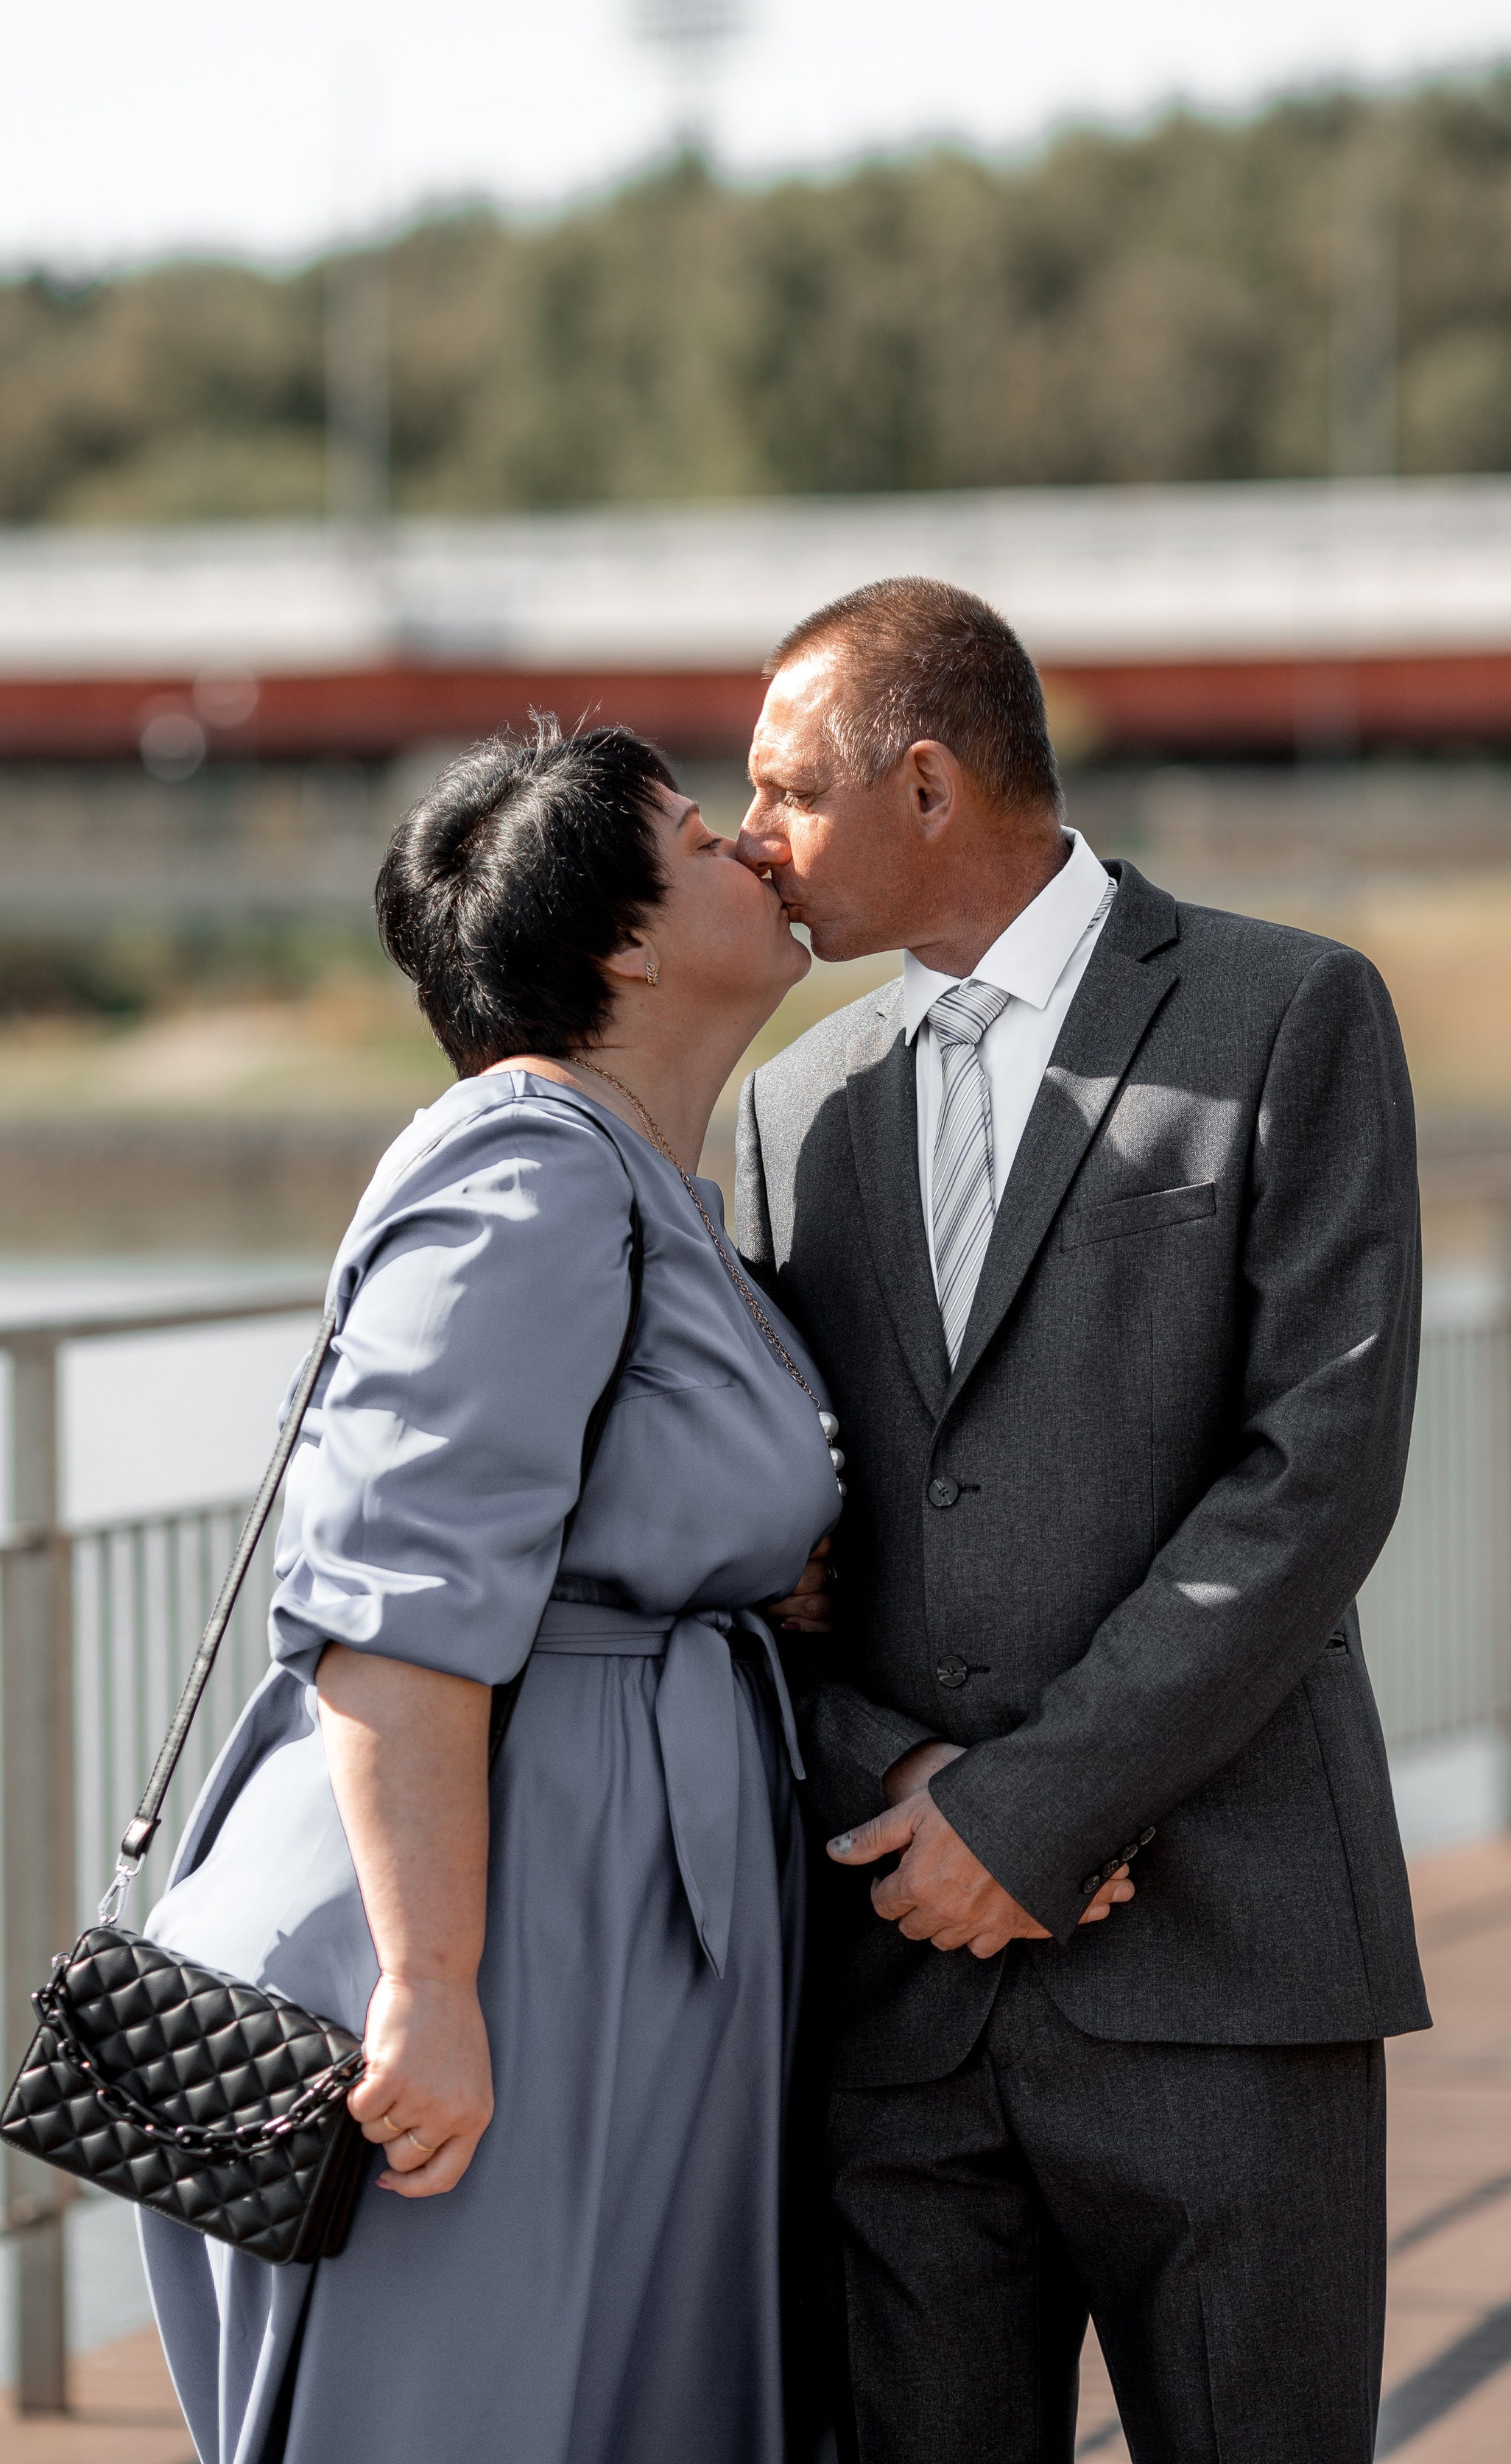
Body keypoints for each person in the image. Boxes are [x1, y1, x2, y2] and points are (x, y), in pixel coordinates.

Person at [735, 577, 1429, 2464]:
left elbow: (1317, 1477)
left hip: (1222, 1973)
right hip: (902, 2006)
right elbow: (759, 1552)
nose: (749, 840)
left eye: (788, 789)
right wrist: (911, 1797)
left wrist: (1037, 1812)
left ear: (931, 783)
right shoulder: (787, 1111)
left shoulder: (1286, 1014)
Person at [135, 720, 842, 2464]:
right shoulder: (523, 1168)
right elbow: (393, 1595)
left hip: (585, 1897)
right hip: (472, 1926)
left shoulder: (638, 1183)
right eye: (697, 834)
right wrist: (431, 1983)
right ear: (620, 941)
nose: (754, 848)